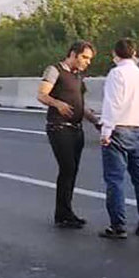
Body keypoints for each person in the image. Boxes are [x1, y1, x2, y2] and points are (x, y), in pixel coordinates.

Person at [37, 41, 100, 228]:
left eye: (89, 59)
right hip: (59, 127)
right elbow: (42, 95)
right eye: (85, 57)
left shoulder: (78, 76)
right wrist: (58, 104)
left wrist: (96, 121)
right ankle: (63, 213)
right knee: (67, 168)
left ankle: (66, 212)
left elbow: (81, 103)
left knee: (71, 171)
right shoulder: (55, 70)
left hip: (76, 128)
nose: (87, 62)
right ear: (73, 54)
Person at [99, 39, 139, 239]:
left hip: (118, 129)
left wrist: (106, 131)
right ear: (134, 53)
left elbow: (112, 105)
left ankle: (118, 225)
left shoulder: (116, 74)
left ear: (115, 54)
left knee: (115, 179)